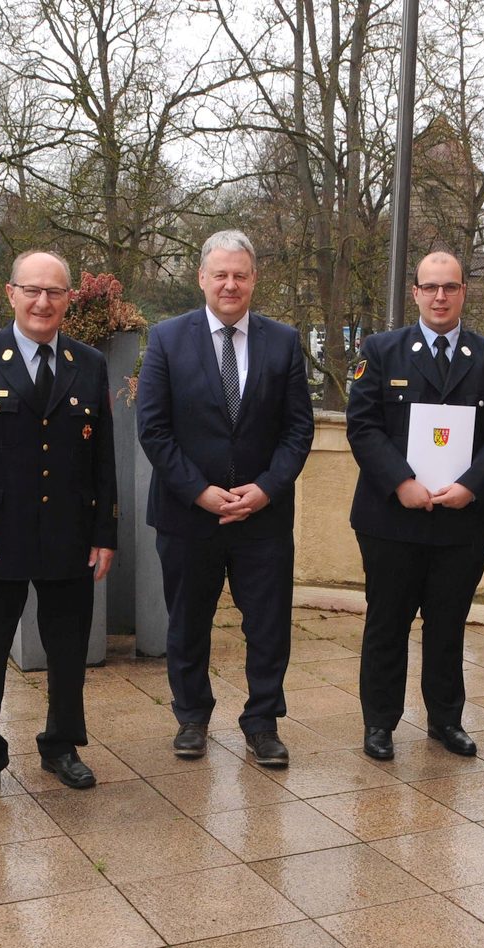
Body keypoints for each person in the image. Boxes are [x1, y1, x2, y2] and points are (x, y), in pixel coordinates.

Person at [0, 251, 116, 807]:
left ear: (69, 300)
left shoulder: (88, 363)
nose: (43, 302)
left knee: (68, 651)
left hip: (68, 533)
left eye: (55, 292)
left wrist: (105, 533)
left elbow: (104, 458)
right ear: (11, 293)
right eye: (33, 290)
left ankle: (61, 744)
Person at [137, 230, 315, 767]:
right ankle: (191, 719)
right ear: (202, 279)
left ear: (254, 280)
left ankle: (263, 723)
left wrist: (264, 490)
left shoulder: (283, 341)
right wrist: (201, 492)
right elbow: (154, 428)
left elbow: (297, 429)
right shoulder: (166, 338)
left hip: (262, 518)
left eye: (240, 275)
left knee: (267, 627)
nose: (230, 284)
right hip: (189, 516)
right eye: (221, 275)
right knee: (187, 621)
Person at [344, 251, 484, 760]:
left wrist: (474, 482)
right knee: (387, 623)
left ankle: (446, 720)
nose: (440, 296)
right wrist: (400, 481)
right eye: (430, 287)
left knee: (448, 625)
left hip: (462, 520)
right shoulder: (379, 351)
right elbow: (363, 425)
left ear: (464, 291)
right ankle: (379, 724)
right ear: (416, 292)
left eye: (450, 287)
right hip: (391, 518)